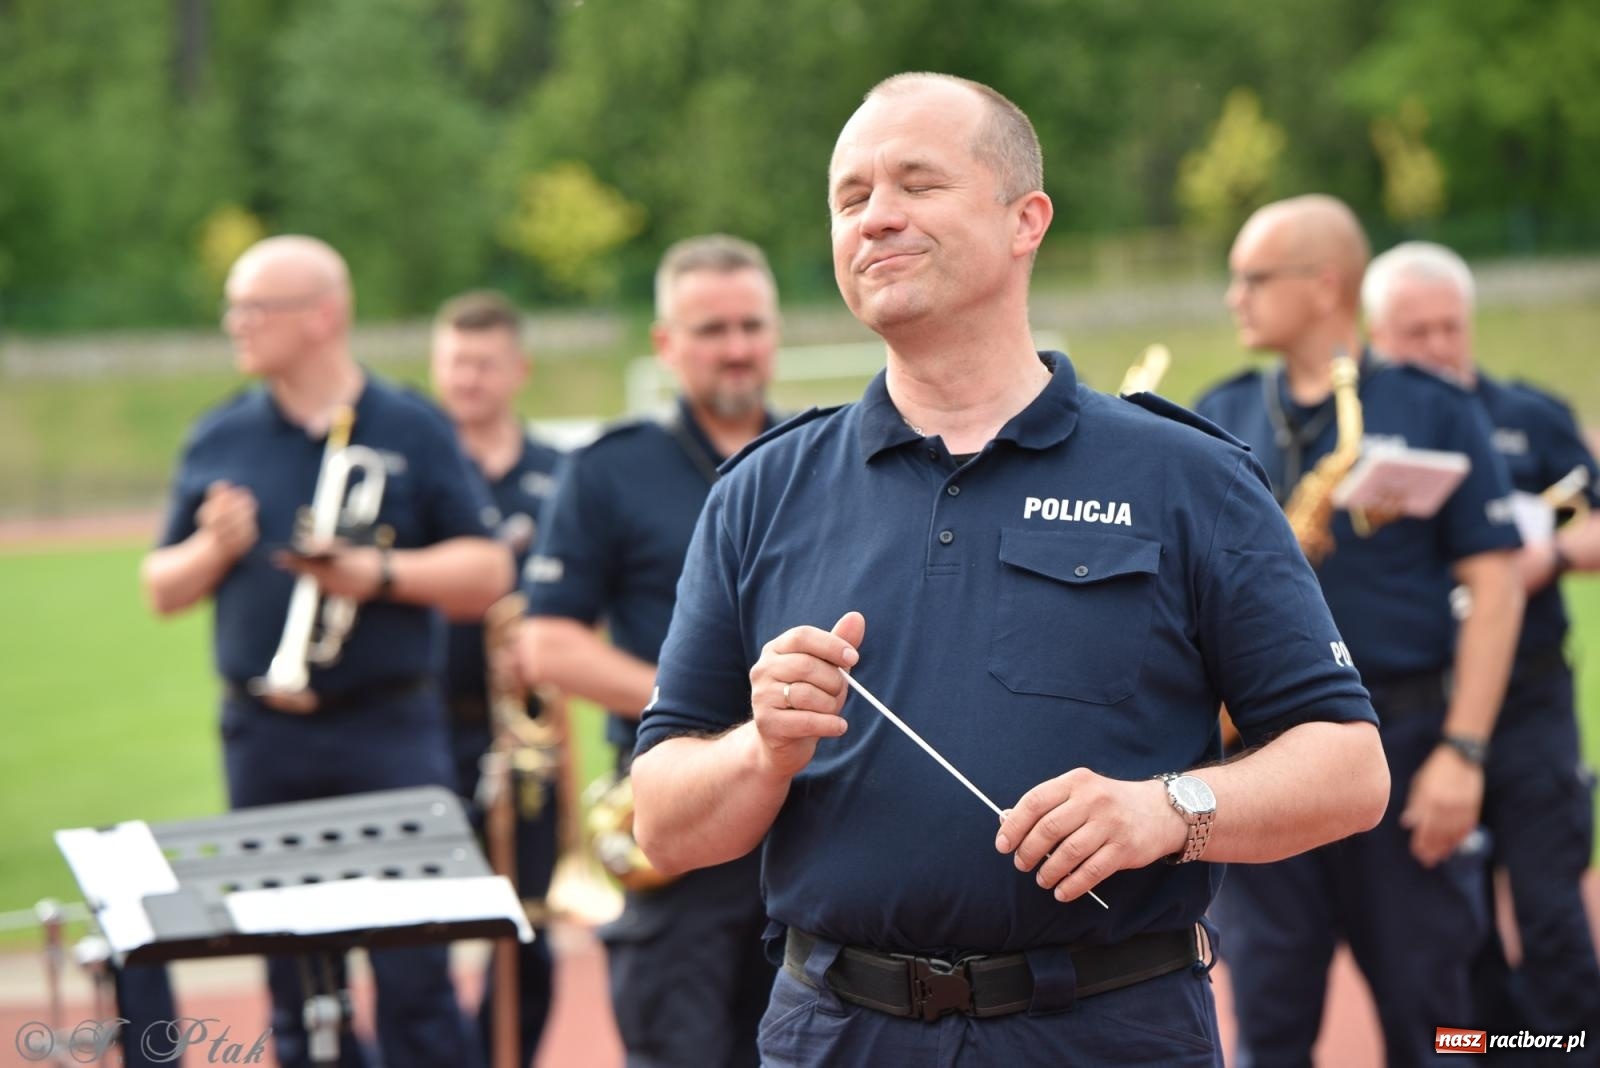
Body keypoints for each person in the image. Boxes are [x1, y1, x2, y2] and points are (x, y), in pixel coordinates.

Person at [627, 73, 1389, 1068]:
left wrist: (1167, 810)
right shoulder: (761, 491)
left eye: (916, 184)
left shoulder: (1184, 476)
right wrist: (760, 749)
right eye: (850, 197)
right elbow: (662, 821)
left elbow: (1347, 766)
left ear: (1025, 218)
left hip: (1105, 1031)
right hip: (835, 1035)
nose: (877, 218)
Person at [139, 235, 512, 1068]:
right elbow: (161, 587)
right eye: (233, 306)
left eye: (254, 307)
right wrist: (209, 548)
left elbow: (487, 570)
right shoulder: (219, 435)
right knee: (297, 984)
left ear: (323, 316)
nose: (235, 324)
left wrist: (373, 574)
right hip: (265, 740)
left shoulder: (410, 425)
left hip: (390, 732)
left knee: (417, 974)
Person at [1195, 199, 1526, 1067]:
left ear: (1322, 286)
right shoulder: (1215, 414)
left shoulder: (1434, 407)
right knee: (1267, 1024)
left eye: (1252, 277)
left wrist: (1465, 751)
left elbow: (1495, 590)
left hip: (1410, 747)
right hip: (1260, 763)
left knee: (1440, 1025)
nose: (1233, 296)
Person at [518, 234, 782, 1067]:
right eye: (710, 330)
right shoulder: (607, 470)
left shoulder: (826, 456)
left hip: (804, 824)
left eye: (751, 325)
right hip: (676, 823)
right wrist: (715, 713)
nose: (735, 347)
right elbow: (548, 643)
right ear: (666, 345)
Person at [1364, 241, 1600, 1050]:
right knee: (1443, 935)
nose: (1434, 346)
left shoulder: (1528, 414)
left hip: (1529, 705)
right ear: (1371, 331)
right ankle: (1490, 1054)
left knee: (1550, 912)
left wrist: (1555, 555)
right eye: (1411, 331)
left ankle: (1567, 1053)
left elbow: (1593, 518)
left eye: (1448, 328)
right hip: (1419, 712)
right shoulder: (1352, 434)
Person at [430, 290, 566, 1066]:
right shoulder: (420, 467)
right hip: (429, 723)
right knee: (419, 938)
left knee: (529, 930)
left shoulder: (559, 473)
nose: (468, 379)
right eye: (454, 363)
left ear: (518, 370)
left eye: (483, 364)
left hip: (525, 735)